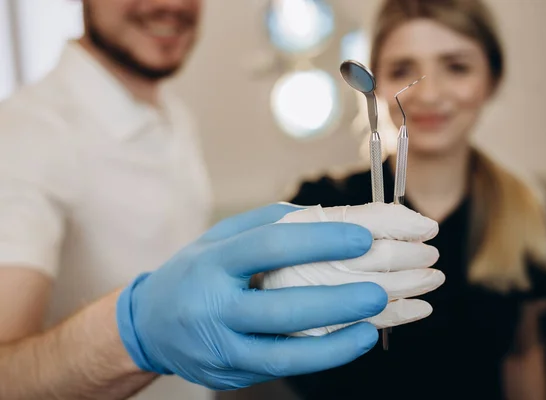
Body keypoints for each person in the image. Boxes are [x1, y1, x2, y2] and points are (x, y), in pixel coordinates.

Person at [0, 0, 445, 399]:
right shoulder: (25, 136)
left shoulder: (172, 117)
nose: (170, 4)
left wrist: (262, 285)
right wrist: (136, 332)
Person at [281, 0, 546, 399]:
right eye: (402, 70)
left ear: (492, 78)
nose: (428, 93)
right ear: (376, 84)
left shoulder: (521, 211)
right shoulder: (322, 205)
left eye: (457, 66)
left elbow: (522, 353)